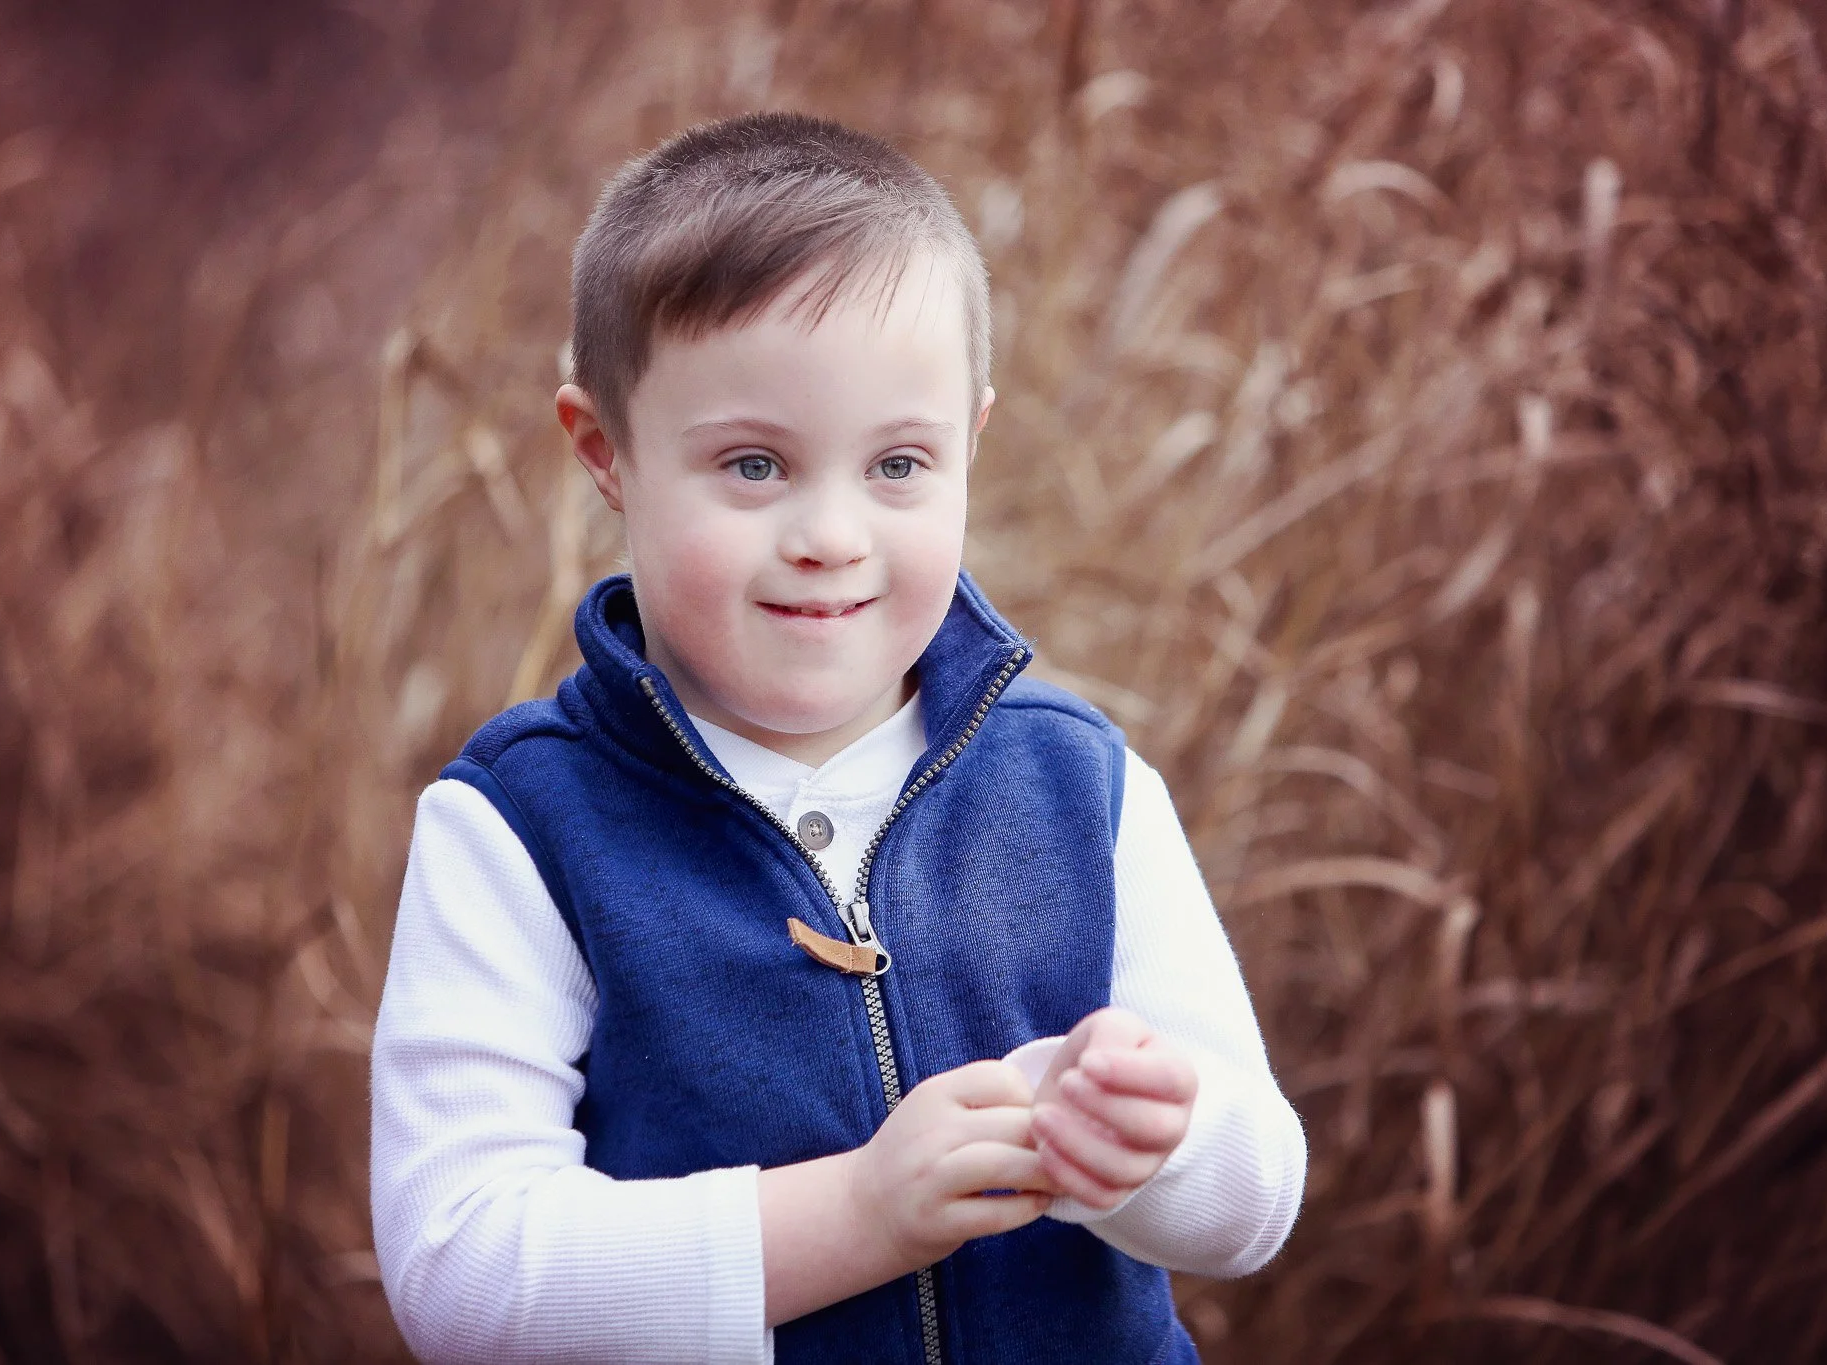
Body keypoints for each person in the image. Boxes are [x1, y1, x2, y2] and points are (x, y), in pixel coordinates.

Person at [370, 111, 1306, 1365]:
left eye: (898, 465)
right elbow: (462, 1270)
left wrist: (1157, 1144)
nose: (831, 534)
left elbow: (1253, 1205)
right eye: (754, 466)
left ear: (970, 444)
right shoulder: (523, 830)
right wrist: (854, 1215)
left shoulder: (1080, 788)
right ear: (606, 454)